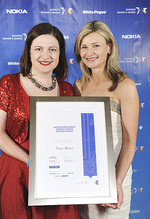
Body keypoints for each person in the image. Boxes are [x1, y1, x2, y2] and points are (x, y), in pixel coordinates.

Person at [0, 23, 81, 219]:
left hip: (58, 175)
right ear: (28, 53)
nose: (46, 55)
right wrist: (30, 161)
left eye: (53, 49)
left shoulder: (68, 89)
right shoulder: (8, 83)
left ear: (60, 54)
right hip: (17, 171)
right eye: (38, 49)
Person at [74, 20, 139, 219]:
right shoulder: (78, 86)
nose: (89, 52)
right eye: (84, 47)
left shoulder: (124, 85)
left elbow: (130, 143)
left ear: (109, 48)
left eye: (96, 45)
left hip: (114, 177)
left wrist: (116, 182)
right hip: (85, 178)